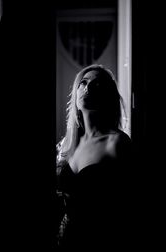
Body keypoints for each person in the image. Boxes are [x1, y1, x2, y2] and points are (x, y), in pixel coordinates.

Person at [55, 64, 133, 251]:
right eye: (83, 82)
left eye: (97, 85)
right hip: (64, 242)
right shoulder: (65, 145)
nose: (88, 87)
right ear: (76, 93)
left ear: (108, 97)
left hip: (99, 245)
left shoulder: (117, 142)